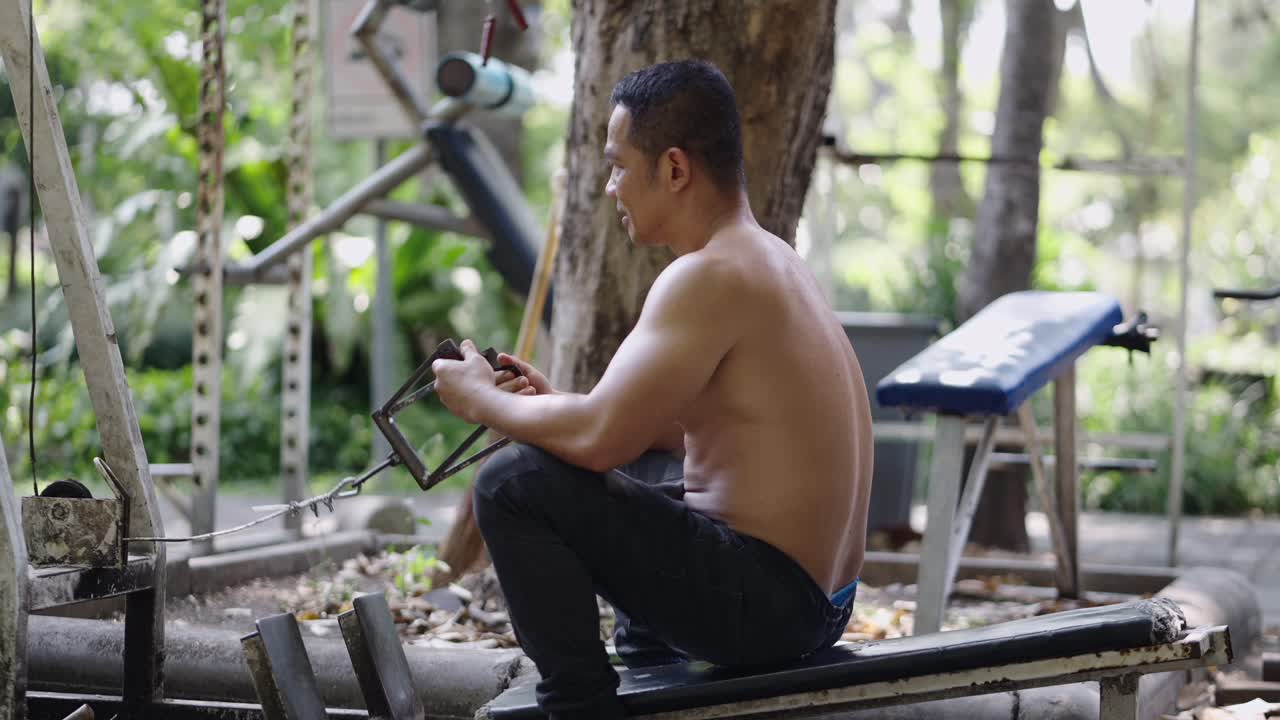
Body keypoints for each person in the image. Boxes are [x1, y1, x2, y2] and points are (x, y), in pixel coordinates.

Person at [431, 59, 874, 720]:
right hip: (820, 602)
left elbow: (602, 438)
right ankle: (650, 662)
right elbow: (661, 428)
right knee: (633, 469)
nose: (610, 187)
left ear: (673, 169)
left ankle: (579, 709)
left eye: (618, 166)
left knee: (510, 483)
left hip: (768, 607)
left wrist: (480, 400)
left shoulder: (708, 275)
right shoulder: (772, 257)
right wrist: (553, 410)